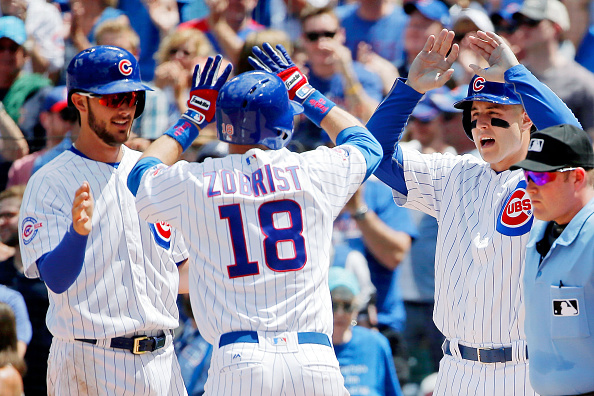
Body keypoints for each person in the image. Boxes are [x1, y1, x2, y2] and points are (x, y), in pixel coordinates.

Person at [127, 43, 383, 394]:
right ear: (284, 125)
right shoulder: (311, 170)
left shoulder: (197, 180)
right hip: (313, 358)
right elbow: (367, 145)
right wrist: (305, 92)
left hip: (240, 358)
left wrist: (193, 117)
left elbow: (140, 173)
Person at [366, 29, 580, 395]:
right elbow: (375, 153)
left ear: (527, 119)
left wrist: (516, 72)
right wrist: (410, 89)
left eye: (495, 114)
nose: (481, 124)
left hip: (525, 370)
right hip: (455, 370)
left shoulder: (546, 183)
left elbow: (573, 141)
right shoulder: (453, 174)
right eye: (475, 115)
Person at [18, 45, 189, 395]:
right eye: (113, 99)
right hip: (89, 359)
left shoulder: (150, 173)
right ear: (80, 102)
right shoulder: (51, 180)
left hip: (163, 360)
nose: (125, 109)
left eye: (132, 98)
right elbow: (55, 278)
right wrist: (77, 235)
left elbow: (181, 274)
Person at [509, 123, 594, 396]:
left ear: (577, 178)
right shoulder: (538, 234)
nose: (530, 187)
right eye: (527, 175)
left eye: (542, 177)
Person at [511, 0, 594, 138]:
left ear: (556, 28)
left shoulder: (583, 82)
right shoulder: (510, 76)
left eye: (532, 22)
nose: (524, 28)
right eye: (520, 21)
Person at [329, 266, 403, 396]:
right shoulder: (311, 348)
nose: (339, 313)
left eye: (347, 305)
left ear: (356, 308)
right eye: (333, 305)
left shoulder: (376, 344)